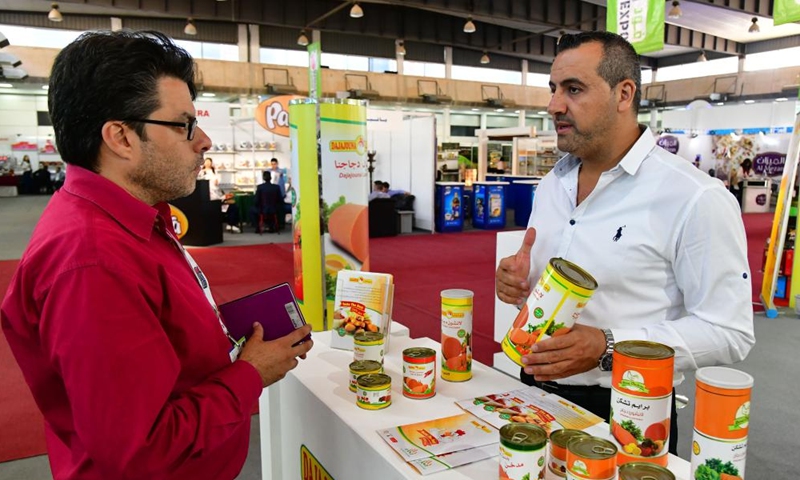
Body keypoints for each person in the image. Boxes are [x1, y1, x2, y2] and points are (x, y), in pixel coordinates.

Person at [0, 31, 313, 480]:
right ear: (122, 138)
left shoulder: (131, 222)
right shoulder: (92, 262)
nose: (203, 140)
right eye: (184, 124)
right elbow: (141, 451)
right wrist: (250, 374)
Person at [495, 31, 754, 455]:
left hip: (628, 405)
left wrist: (608, 346)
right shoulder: (551, 184)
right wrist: (516, 284)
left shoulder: (694, 197)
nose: (554, 105)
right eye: (553, 89)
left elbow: (730, 330)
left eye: (573, 89)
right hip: (533, 392)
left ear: (624, 93)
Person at [198, 157, 240, 232]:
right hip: (211, 198)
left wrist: (224, 196)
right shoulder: (201, 172)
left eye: (209, 162)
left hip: (217, 195)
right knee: (231, 206)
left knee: (233, 205)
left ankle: (231, 224)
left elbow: (217, 184)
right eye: (206, 162)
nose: (208, 163)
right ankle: (231, 224)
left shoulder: (214, 172)